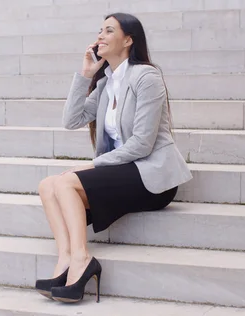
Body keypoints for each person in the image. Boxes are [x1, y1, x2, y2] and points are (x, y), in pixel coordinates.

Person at [34, 12, 193, 303]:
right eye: (99, 31)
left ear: (128, 40)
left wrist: (92, 164)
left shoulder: (147, 77)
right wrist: (85, 75)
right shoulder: (107, 83)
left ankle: (82, 260)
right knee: (48, 186)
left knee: (67, 183)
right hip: (123, 173)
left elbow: (142, 145)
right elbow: (72, 120)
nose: (100, 36)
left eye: (109, 30)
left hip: (151, 175)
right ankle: (66, 260)